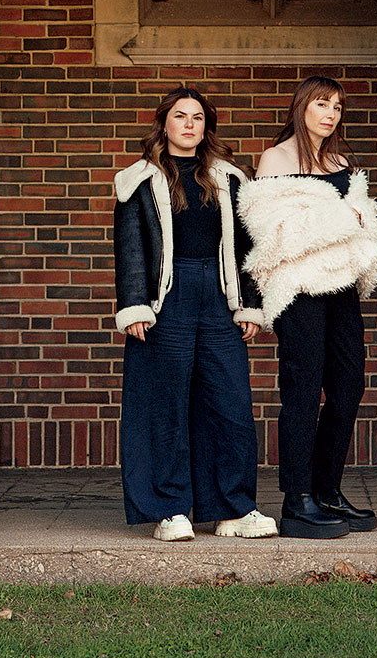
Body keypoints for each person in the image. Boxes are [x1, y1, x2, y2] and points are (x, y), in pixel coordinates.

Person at [114, 86, 276, 541]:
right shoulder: (138, 180)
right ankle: (170, 509)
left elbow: (247, 247)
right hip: (167, 298)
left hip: (220, 296)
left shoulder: (230, 178)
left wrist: (250, 304)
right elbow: (129, 249)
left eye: (198, 117)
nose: (190, 124)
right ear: (163, 123)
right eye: (180, 116)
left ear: (207, 126)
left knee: (230, 403)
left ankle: (233, 509)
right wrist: (134, 305)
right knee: (163, 403)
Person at [238, 76, 377, 538]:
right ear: (302, 106)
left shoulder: (341, 162)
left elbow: (363, 224)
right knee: (302, 388)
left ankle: (326, 489)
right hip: (298, 288)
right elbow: (274, 231)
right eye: (322, 103)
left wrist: (348, 226)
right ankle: (297, 498)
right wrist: (342, 218)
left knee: (348, 385)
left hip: (340, 286)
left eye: (338, 107)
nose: (330, 113)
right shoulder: (275, 159)